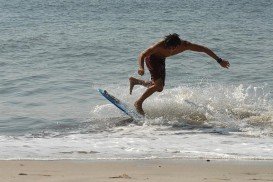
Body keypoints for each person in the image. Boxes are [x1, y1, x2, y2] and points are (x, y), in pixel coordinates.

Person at [129, 33, 230, 115]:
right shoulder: (158, 46)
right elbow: (142, 55)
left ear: (178, 45)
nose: (170, 50)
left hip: (161, 60)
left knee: (159, 88)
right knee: (158, 85)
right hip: (151, 59)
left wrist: (219, 60)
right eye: (168, 47)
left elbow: (204, 49)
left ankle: (136, 81)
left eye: (173, 48)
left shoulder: (185, 45)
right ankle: (139, 103)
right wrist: (141, 67)